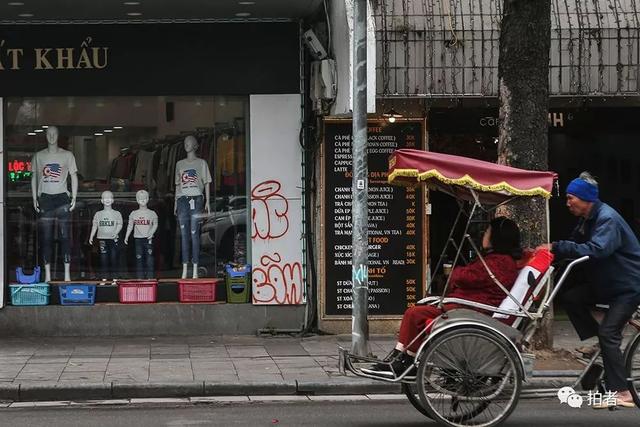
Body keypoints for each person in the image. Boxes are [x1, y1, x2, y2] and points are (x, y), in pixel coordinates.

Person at [365, 216, 522, 376]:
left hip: (471, 309)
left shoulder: (499, 262)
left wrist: (454, 273)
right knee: (421, 309)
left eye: (487, 231)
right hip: (466, 305)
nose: (484, 235)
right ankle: (400, 356)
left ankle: (407, 359)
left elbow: (466, 277)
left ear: (497, 237)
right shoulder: (497, 260)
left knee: (414, 313)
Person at [538, 172, 640, 409]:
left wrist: (558, 246)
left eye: (571, 198)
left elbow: (597, 249)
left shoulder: (608, 219)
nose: (567, 203)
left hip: (627, 286)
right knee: (572, 298)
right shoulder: (587, 219)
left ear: (586, 199)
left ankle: (622, 393)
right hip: (607, 283)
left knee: (609, 335)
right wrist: (553, 256)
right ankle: (602, 343)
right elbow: (574, 243)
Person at [31, 125, 78, 282]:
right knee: (46, 238)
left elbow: (74, 176)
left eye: (54, 134)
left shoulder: (67, 155)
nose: (51, 136)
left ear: (58, 135)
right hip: (45, 198)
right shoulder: (39, 156)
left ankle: (66, 274)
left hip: (62, 198)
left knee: (65, 237)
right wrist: (34, 197)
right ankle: (48, 275)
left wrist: (74, 197)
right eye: (49, 134)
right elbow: (34, 178)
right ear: (45, 135)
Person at [174, 135, 212, 279]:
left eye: (189, 142)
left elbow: (207, 182)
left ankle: (195, 268)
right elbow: (177, 185)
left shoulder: (201, 163)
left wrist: (207, 201)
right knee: (184, 236)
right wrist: (175, 202)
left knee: (194, 234)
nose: (186, 145)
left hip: (197, 199)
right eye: (185, 142)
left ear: (195, 145)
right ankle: (185, 268)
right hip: (183, 200)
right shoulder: (179, 164)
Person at [89, 191, 123, 280]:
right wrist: (91, 236)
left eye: (109, 198)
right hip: (102, 239)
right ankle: (104, 277)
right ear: (102, 200)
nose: (107, 200)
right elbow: (95, 225)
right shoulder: (98, 214)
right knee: (104, 258)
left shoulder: (117, 213)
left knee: (113, 258)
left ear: (113, 200)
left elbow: (120, 224)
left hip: (113, 239)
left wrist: (116, 233)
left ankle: (115, 278)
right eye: (105, 198)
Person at [125, 190, 158, 279]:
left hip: (148, 239)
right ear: (137, 199)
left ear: (148, 199)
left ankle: (150, 277)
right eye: (140, 198)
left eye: (145, 198)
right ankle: (140, 278)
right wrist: (127, 236)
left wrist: (151, 233)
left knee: (149, 259)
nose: (143, 200)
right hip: (138, 239)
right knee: (139, 258)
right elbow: (130, 226)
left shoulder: (152, 213)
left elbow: (155, 224)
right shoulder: (133, 213)